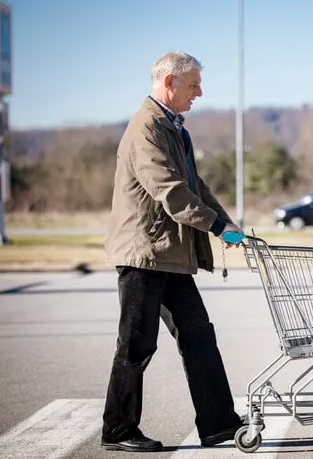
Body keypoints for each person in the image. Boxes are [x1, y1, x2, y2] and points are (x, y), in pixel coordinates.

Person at [101, 51, 246, 452]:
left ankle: (218, 423)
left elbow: (196, 186)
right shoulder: (146, 128)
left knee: (200, 336)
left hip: (172, 255)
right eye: (193, 84)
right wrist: (215, 226)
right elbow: (171, 192)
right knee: (136, 344)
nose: (199, 92)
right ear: (170, 83)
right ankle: (118, 430)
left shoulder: (174, 128)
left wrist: (227, 223)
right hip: (143, 255)